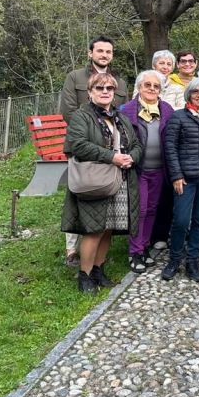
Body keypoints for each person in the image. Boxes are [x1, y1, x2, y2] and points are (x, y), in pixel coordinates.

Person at [61, 72, 141, 292]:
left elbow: (136, 144)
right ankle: (84, 276)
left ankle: (98, 269)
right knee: (94, 229)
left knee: (108, 229)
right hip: (95, 181)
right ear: (90, 92)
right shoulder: (81, 116)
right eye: (100, 88)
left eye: (109, 88)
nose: (105, 92)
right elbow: (77, 145)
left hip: (120, 180)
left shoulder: (120, 118)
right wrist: (112, 157)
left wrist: (132, 157)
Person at [58, 35, 129, 267]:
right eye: (100, 51)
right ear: (91, 53)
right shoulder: (75, 77)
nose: (104, 55)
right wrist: (93, 130)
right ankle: (72, 250)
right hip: (84, 147)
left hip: (113, 152)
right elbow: (68, 110)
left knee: (107, 204)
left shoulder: (119, 81)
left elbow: (123, 112)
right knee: (81, 195)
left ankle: (96, 261)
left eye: (108, 51)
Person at [162, 77, 199, 282]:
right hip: (185, 179)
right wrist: (176, 175)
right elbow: (170, 148)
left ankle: (193, 260)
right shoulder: (178, 117)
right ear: (189, 94)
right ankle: (174, 258)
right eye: (196, 91)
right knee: (180, 220)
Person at [119, 69, 174, 273]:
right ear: (139, 87)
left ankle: (144, 247)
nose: (151, 89)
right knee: (139, 210)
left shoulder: (167, 109)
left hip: (159, 169)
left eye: (156, 86)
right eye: (147, 85)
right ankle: (134, 251)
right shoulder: (127, 110)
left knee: (152, 209)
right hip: (138, 169)